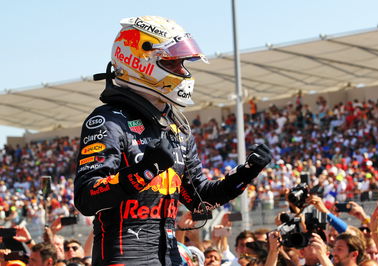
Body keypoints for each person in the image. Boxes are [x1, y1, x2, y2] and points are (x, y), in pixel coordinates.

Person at [73, 15, 272, 266]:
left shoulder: (177, 125)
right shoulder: (107, 121)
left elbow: (198, 200)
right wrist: (146, 169)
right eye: (173, 63)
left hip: (170, 256)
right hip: (124, 258)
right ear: (140, 61)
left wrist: (245, 174)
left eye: (182, 63)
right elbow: (86, 198)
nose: (182, 71)